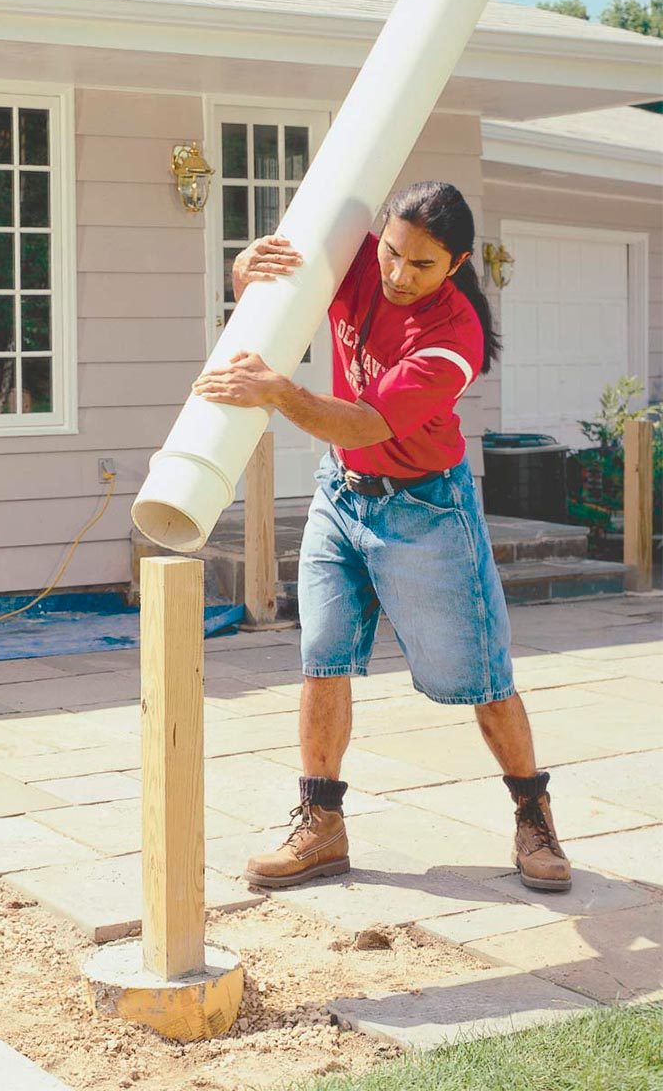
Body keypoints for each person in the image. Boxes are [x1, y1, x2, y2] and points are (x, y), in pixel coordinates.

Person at [192, 180, 571, 894]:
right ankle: (321, 823)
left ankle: (533, 814)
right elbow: (258, 286)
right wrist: (249, 262)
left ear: (455, 265)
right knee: (322, 658)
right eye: (393, 253)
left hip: (427, 512)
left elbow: (367, 421)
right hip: (342, 497)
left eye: (420, 266)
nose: (397, 275)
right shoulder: (356, 259)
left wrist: (276, 391)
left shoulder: (452, 336)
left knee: (481, 679)